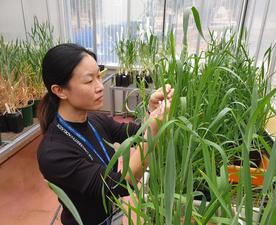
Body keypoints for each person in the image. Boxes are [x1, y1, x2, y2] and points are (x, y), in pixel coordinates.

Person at [37, 43, 174, 225]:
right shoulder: (53, 153)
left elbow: (136, 133)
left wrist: (152, 111)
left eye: (99, 76)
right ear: (59, 90)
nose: (100, 86)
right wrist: (154, 131)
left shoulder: (95, 121)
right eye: (89, 81)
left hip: (114, 214)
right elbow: (120, 185)